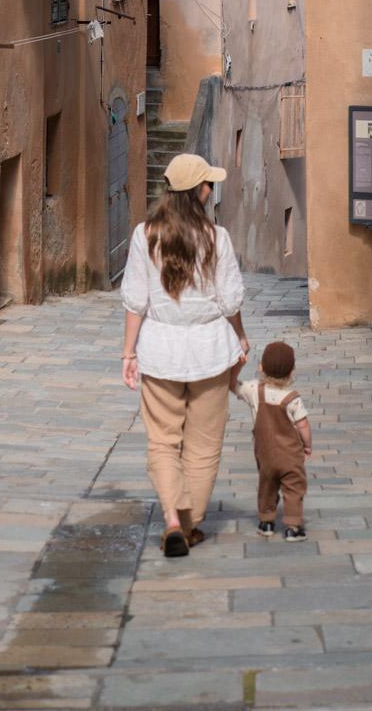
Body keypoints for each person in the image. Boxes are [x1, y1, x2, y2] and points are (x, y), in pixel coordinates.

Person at [121, 153, 249, 558]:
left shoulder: (145, 236)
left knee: (162, 441)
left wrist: (128, 353)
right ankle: (189, 524)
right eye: (208, 183)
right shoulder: (218, 238)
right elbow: (230, 301)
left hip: (160, 350)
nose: (211, 189)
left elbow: (135, 301)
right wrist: (241, 339)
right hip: (211, 349)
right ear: (198, 191)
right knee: (204, 444)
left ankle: (173, 522)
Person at [231, 340, 311, 543]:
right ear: (292, 370)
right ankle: (293, 526)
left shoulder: (253, 390)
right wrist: (307, 445)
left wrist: (238, 365)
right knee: (293, 487)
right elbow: (303, 425)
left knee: (267, 485)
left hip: (265, 454)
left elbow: (232, 385)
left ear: (261, 367)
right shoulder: (292, 398)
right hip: (290, 456)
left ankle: (266, 522)